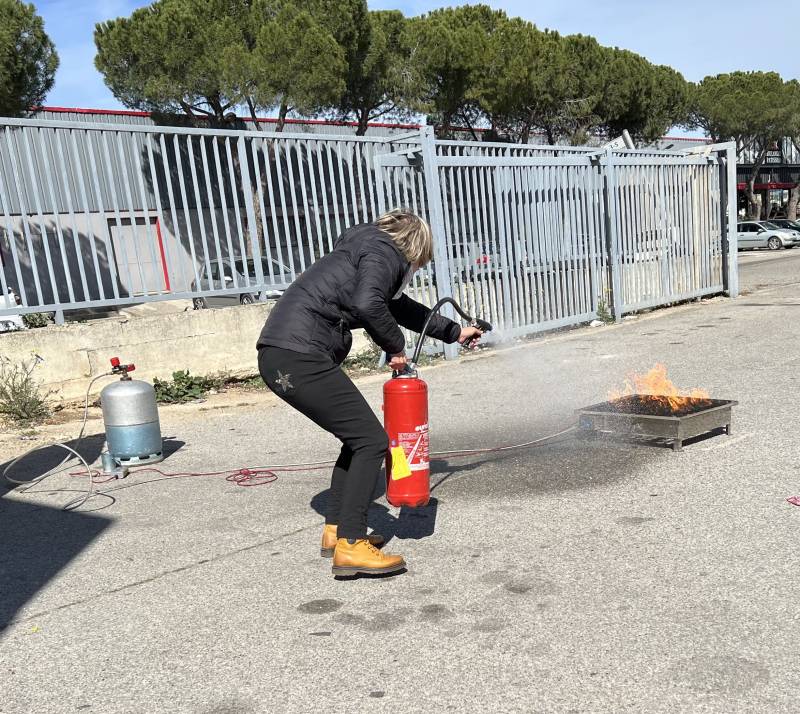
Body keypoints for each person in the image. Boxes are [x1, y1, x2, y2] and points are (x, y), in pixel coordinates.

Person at [257, 209, 482, 577]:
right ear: (415, 248)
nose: (415, 272)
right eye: (419, 264)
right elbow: (368, 305)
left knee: (356, 439)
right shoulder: (383, 253)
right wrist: (395, 348)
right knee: (371, 441)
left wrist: (454, 332)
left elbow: (398, 306)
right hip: (298, 356)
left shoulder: (366, 252)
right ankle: (351, 545)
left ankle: (336, 530)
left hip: (286, 354)